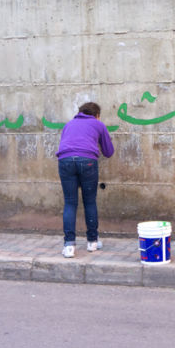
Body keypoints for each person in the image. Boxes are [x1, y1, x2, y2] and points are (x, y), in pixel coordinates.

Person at [56, 102, 115, 258]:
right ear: (97, 115)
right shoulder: (98, 124)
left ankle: (69, 246)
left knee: (70, 202)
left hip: (65, 161)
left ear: (80, 112)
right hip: (87, 161)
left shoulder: (68, 125)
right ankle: (92, 242)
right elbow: (109, 152)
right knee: (89, 201)